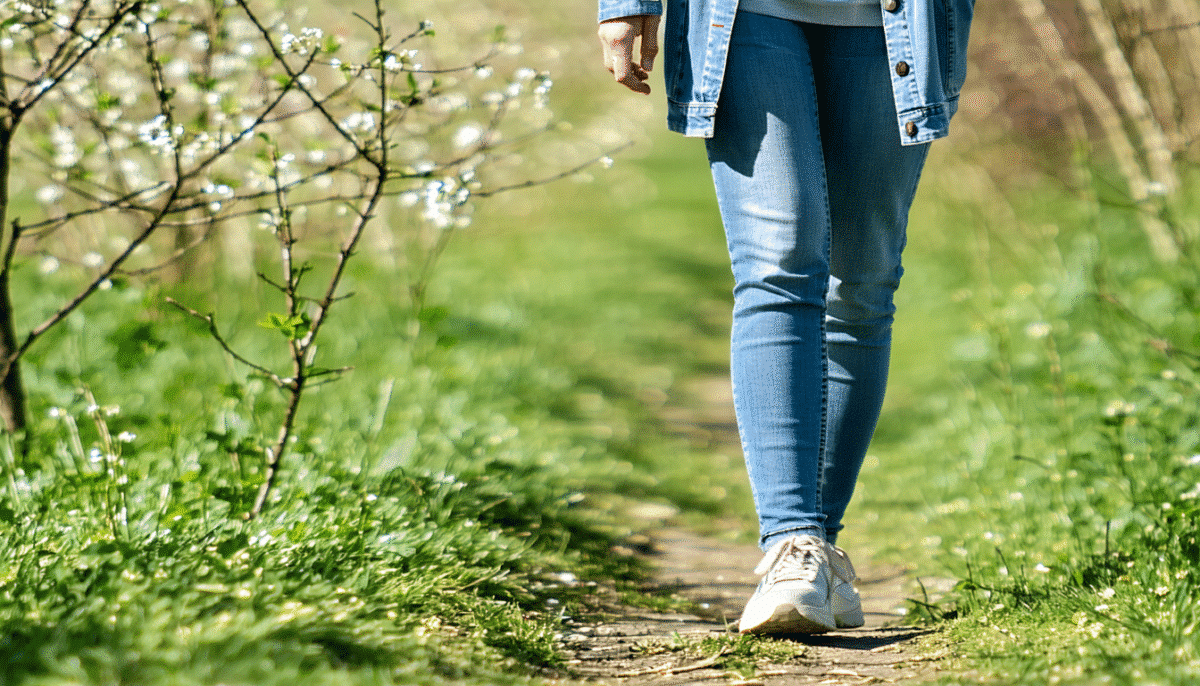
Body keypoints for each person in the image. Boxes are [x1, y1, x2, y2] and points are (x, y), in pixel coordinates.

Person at [597, 0, 974, 634]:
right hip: (746, 13)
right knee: (779, 262)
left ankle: (818, 557)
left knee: (861, 283)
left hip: (895, 19)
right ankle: (791, 543)